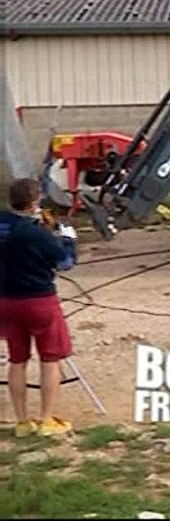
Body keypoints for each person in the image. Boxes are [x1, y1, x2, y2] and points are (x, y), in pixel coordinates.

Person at [0, 178, 78, 437]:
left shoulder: (4, 223)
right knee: (50, 359)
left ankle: (22, 422)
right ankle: (46, 420)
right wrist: (67, 238)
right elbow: (65, 262)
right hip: (38, 301)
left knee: (17, 360)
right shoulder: (36, 233)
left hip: (7, 301)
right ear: (34, 203)